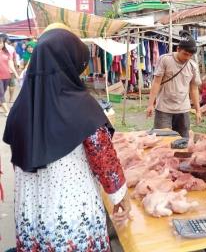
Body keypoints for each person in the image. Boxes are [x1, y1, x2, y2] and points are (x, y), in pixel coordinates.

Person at [3, 26, 131, 251]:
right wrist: (120, 196)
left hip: (31, 211)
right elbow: (104, 160)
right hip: (70, 213)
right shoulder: (82, 106)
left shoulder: (20, 108)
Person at [146, 30, 201, 138]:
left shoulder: (193, 66)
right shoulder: (165, 60)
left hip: (183, 110)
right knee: (162, 141)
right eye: (185, 54)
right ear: (178, 49)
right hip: (163, 109)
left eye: (190, 55)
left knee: (183, 141)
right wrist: (150, 104)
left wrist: (198, 110)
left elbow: (194, 89)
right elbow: (156, 83)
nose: (187, 57)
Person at [0, 36, 19, 116]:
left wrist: (16, 74)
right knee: (0, 93)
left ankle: (1, 107)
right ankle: (7, 111)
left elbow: (10, 64)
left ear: (3, 43)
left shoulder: (6, 52)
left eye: (0, 43)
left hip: (7, 76)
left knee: (3, 92)